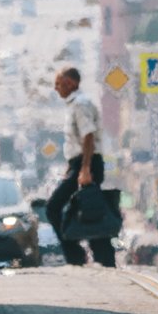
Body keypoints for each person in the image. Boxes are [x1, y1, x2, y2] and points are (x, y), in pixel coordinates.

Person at [45, 66, 115, 268]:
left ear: (71, 83)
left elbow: (88, 136)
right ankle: (103, 255)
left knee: (53, 207)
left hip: (88, 163)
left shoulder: (80, 105)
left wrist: (84, 169)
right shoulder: (74, 105)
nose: (56, 88)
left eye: (59, 83)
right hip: (81, 163)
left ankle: (75, 253)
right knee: (88, 208)